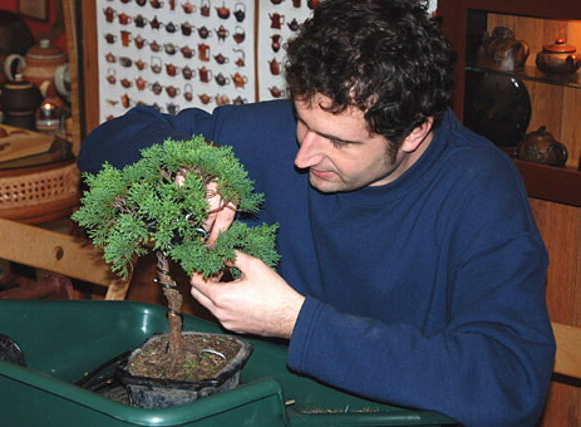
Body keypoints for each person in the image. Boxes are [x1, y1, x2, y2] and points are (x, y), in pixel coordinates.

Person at [78, 0, 555, 424]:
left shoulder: (480, 190)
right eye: (304, 122)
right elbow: (106, 144)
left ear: (413, 133)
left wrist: (298, 323)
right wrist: (180, 172)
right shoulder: (275, 135)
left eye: (339, 142)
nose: (304, 155)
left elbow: (509, 383)